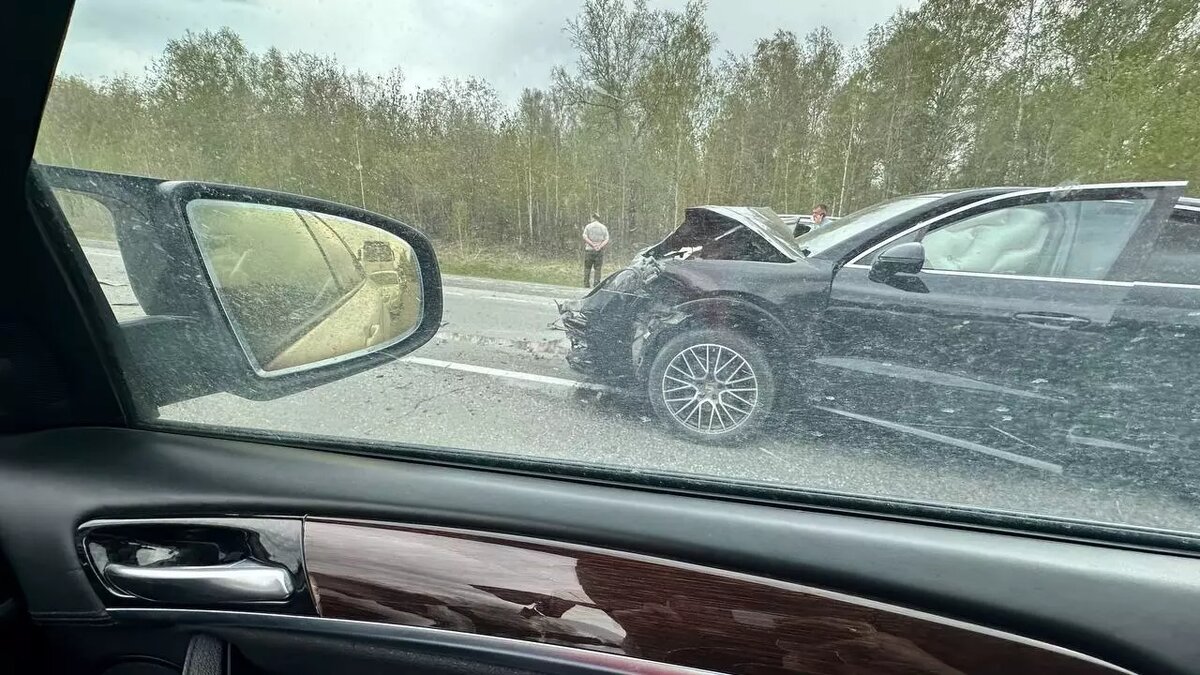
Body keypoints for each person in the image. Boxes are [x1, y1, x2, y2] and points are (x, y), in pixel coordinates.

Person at [582, 213, 610, 287]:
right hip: (599, 251)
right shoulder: (603, 227)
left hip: (589, 250)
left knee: (587, 268)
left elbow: (584, 236)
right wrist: (600, 246)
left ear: (593, 218)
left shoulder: (588, 226)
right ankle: (596, 284)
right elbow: (607, 239)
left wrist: (592, 244)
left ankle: (586, 284)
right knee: (598, 268)